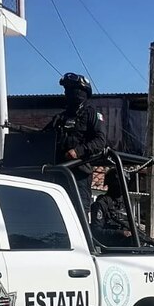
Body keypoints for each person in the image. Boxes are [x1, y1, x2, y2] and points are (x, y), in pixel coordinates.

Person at [43, 72, 109, 212]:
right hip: (59, 172)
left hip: (79, 174)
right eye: (67, 90)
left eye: (73, 89)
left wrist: (78, 151)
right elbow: (43, 136)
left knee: (78, 213)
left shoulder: (92, 114)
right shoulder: (60, 117)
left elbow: (100, 141)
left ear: (83, 91)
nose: (69, 93)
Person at [90, 168, 135, 247]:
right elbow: (96, 232)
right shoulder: (101, 204)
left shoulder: (126, 204)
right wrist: (120, 233)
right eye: (118, 184)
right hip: (110, 249)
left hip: (127, 247)